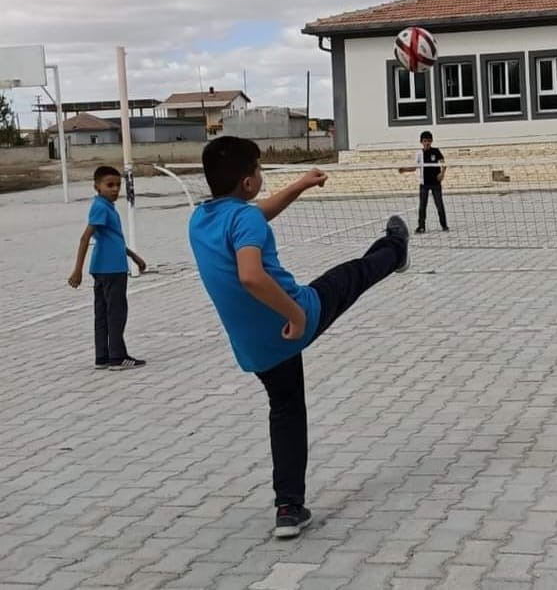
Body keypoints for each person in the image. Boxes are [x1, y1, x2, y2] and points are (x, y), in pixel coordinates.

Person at [188, 136, 409, 539]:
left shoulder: (202, 219)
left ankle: (288, 506)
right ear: (248, 182)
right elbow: (251, 275)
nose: (260, 175)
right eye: (258, 168)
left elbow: (255, 217)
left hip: (255, 348)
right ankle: (396, 247)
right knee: (351, 276)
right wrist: (295, 316)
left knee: (286, 409)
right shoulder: (246, 220)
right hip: (295, 316)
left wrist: (300, 185)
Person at [68, 165, 147, 370]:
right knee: (116, 313)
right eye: (109, 185)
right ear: (97, 186)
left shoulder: (104, 207)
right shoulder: (101, 207)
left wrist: (134, 256)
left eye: (117, 185)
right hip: (111, 269)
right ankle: (117, 357)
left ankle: (102, 357)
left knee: (103, 312)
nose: (114, 189)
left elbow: (114, 239)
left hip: (105, 266)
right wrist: (77, 270)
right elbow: (85, 237)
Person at [398, 130, 448, 233]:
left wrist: (442, 173)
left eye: (429, 141)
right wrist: (404, 169)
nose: (427, 143)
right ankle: (421, 227)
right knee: (422, 206)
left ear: (432, 141)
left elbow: (443, 163)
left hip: (436, 183)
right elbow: (415, 167)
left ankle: (444, 225)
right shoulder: (419, 153)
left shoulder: (436, 151)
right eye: (425, 141)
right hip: (424, 184)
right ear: (421, 142)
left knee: (439, 205)